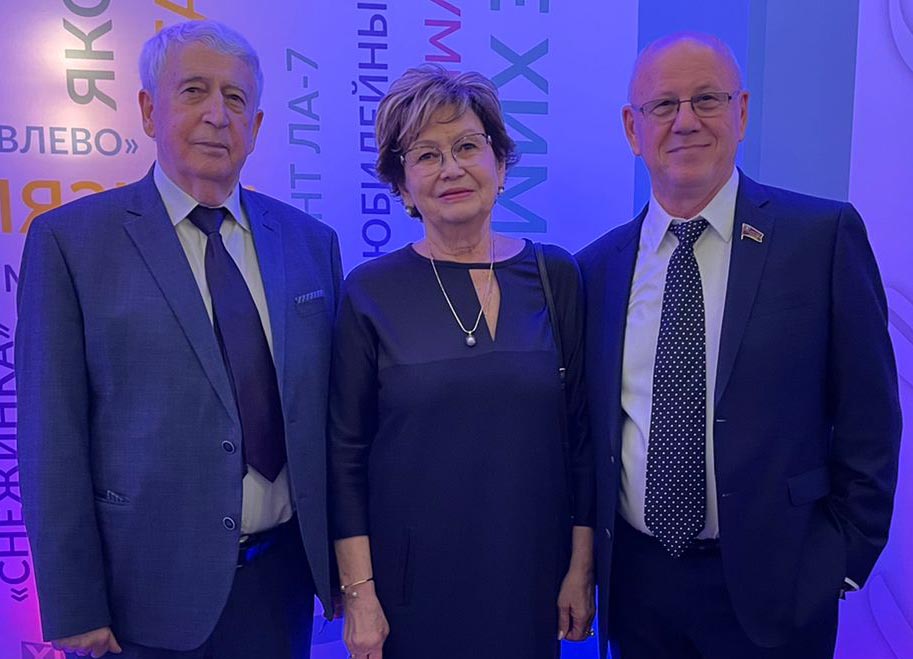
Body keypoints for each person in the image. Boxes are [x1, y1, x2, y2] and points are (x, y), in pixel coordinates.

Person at [16, 20, 341, 659]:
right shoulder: (71, 242)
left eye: (236, 98)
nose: (218, 114)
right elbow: (51, 437)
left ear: (257, 125)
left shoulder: (311, 243)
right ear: (147, 110)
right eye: (194, 90)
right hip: (141, 599)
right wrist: (74, 601)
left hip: (281, 588)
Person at [577, 32, 902, 659]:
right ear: (632, 128)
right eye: (663, 105)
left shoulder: (821, 238)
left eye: (707, 99)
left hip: (780, 589)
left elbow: (871, 416)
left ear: (742, 112)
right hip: (639, 593)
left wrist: (842, 561)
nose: (686, 121)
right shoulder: (597, 268)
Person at [329, 64, 595, 659]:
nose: (450, 168)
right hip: (409, 590)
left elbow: (582, 438)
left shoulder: (556, 276)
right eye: (426, 155)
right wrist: (360, 594)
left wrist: (581, 567)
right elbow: (344, 457)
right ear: (402, 186)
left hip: (530, 579)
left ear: (500, 164)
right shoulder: (369, 291)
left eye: (468, 147)